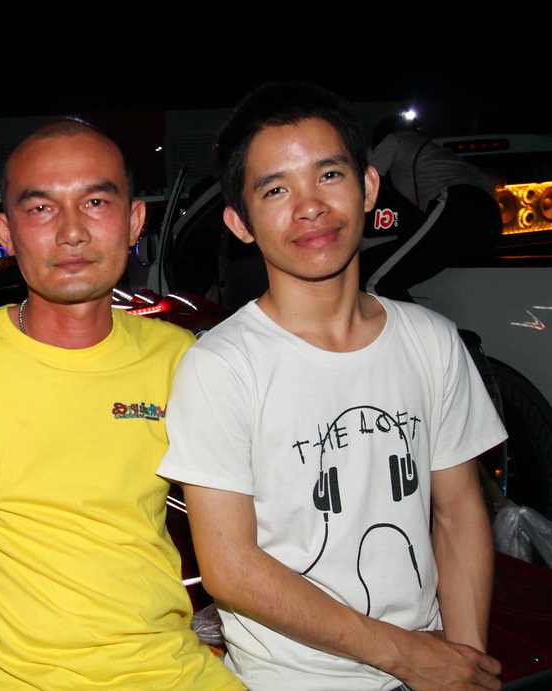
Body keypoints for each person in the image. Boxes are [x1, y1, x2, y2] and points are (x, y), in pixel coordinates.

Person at [158, 83, 507, 691]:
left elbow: (458, 514)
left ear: (368, 187)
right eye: (276, 190)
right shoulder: (221, 366)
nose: (310, 206)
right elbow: (231, 568)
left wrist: (463, 661)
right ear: (240, 223)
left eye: (328, 175)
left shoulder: (431, 340)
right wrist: (406, 656)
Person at [0, 119, 243, 690]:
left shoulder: (181, 358)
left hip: (173, 669)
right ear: (5, 232)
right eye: (41, 208)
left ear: (135, 221)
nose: (71, 232)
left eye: (95, 202)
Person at [360, 116, 503, 302]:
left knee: (377, 281)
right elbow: (497, 180)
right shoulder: (438, 152)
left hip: (458, 205)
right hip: (491, 218)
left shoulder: (395, 139)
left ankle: (416, 323)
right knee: (374, 262)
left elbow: (369, 180)